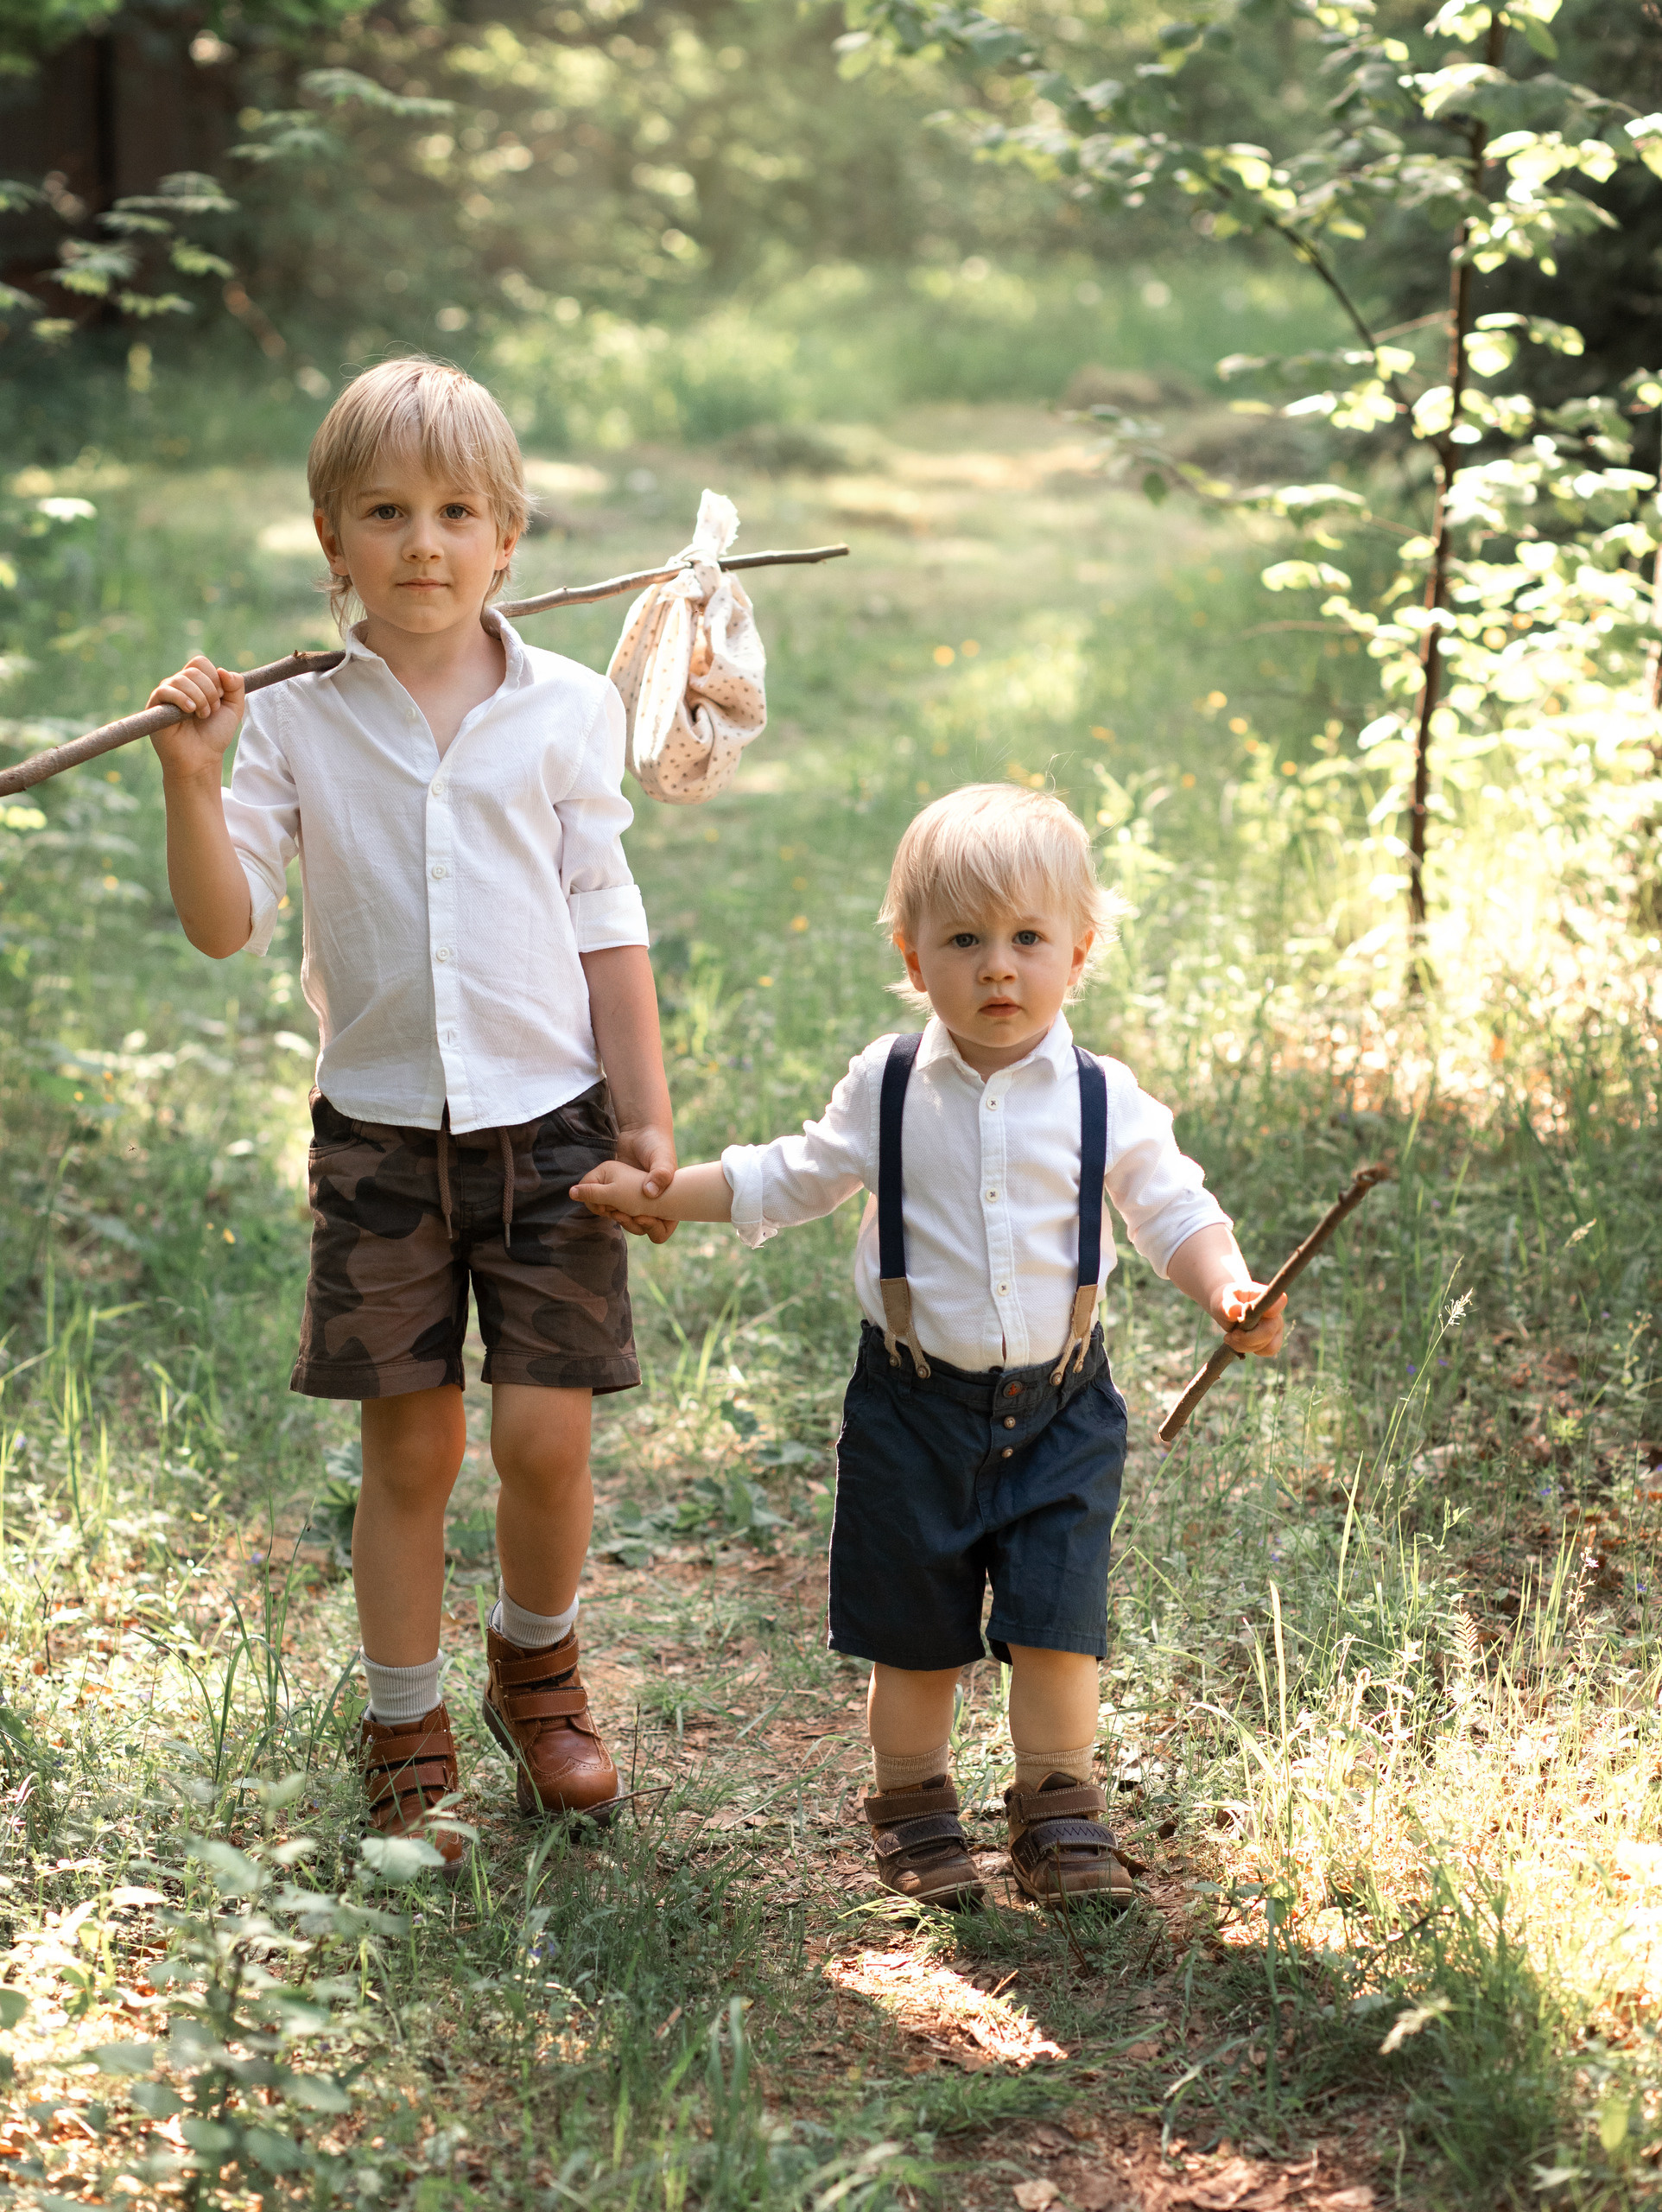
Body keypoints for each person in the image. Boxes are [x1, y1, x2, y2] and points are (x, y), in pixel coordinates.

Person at [144, 356, 677, 1872]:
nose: (424, 545)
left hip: (556, 1131)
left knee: (549, 1438)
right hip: (379, 1135)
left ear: (511, 539)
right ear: (333, 544)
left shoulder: (570, 710)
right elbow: (223, 925)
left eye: (458, 513)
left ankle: (540, 1676)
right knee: (412, 1449)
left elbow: (607, 918)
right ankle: (404, 1728)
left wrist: (646, 1119)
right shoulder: (299, 722)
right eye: (386, 513)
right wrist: (194, 779)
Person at [572, 784, 1284, 1908]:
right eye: (964, 941)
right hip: (914, 1411)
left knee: (1058, 1626)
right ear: (913, 957)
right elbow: (789, 1175)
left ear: (1079, 954)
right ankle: (912, 1803)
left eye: (1027, 940)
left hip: (1060, 1407)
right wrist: (666, 1193)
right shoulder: (890, 1086)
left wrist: (1227, 1286)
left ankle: (1058, 1808)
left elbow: (1172, 1210)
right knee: (917, 1641)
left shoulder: (1107, 1098)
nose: (998, 968)